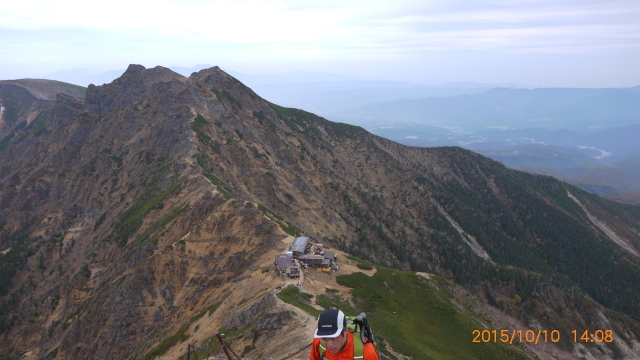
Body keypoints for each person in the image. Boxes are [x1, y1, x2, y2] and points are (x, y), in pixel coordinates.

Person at [309, 309, 379, 360]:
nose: (329, 344)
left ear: (345, 331)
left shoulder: (366, 353)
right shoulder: (319, 342)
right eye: (324, 338)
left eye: (333, 338)